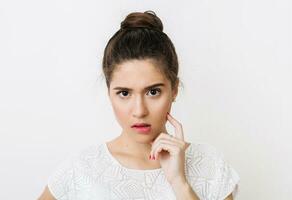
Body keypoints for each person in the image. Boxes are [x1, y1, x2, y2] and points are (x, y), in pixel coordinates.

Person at [38, 10, 240, 200]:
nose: (139, 111)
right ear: (109, 93)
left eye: (153, 92)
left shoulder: (210, 166)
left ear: (174, 90)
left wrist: (180, 184)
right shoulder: (81, 170)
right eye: (124, 93)